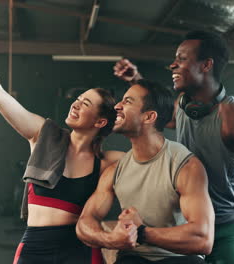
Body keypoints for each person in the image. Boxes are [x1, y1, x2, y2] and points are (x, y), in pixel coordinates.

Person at [0, 23, 124, 264]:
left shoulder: (107, 161)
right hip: (35, 246)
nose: (76, 104)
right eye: (78, 99)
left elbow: (154, 157)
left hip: (79, 250)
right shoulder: (44, 136)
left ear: (101, 121)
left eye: (86, 103)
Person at [113, 31, 234, 264]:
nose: (173, 64)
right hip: (187, 226)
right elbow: (155, 114)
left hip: (226, 226)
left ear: (206, 65)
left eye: (182, 59)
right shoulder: (184, 106)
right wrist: (135, 80)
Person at [76, 79, 214, 264]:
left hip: (178, 259)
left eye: (127, 101)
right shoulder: (115, 171)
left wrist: (141, 233)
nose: (117, 106)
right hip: (134, 258)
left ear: (149, 117)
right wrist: (112, 239)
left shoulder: (186, 166)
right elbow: (84, 223)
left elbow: (203, 239)